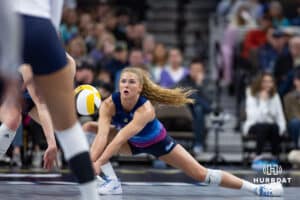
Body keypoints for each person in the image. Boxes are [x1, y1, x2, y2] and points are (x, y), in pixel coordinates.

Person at [88, 67, 283, 196]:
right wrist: (90, 163)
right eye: (123, 81)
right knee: (89, 128)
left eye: (131, 82)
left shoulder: (145, 109)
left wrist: (98, 162)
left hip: (160, 144)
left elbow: (120, 138)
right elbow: (103, 136)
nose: (126, 85)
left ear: (140, 88)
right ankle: (112, 182)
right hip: (132, 144)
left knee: (202, 174)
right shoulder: (108, 105)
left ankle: (258, 189)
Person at [12, 1, 99, 199]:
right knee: (66, 126)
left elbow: (44, 105)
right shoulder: (64, 61)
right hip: (40, 28)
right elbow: (54, 15)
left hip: (11, 25)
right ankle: (91, 194)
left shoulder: (69, 63)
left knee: (15, 118)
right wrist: (52, 143)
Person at [0, 64, 59, 170]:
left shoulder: (69, 65)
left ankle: (90, 169)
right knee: (13, 119)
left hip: (28, 95)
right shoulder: (29, 64)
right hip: (11, 88)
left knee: (61, 126)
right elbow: (41, 105)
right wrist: (52, 143)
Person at [243, 72, 286, 167]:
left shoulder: (275, 96)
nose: (268, 84)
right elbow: (254, 117)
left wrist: (281, 128)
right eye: (265, 81)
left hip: (270, 127)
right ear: (260, 82)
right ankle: (257, 157)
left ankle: (274, 158)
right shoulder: (251, 94)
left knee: (275, 127)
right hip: (253, 125)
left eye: (270, 81)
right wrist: (263, 101)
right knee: (263, 126)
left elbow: (280, 115)